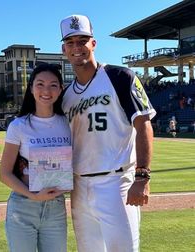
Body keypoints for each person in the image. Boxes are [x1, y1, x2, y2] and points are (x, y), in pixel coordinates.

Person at [60, 14, 156, 252]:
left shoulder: (119, 77)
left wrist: (142, 176)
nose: (77, 47)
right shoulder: (65, 96)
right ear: (64, 49)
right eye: (71, 42)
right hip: (79, 185)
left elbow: (143, 124)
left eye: (82, 40)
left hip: (116, 182)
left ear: (93, 43)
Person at [0, 63, 71, 252]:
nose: (46, 90)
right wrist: (33, 196)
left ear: (61, 89)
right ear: (31, 88)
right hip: (23, 206)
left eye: (53, 85)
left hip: (56, 207)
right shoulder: (19, 126)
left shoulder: (69, 123)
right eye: (40, 84)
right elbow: (5, 174)